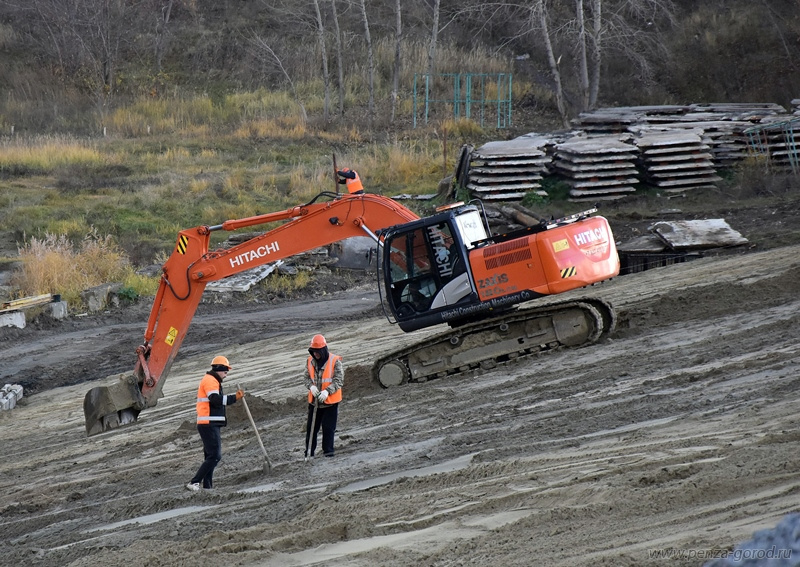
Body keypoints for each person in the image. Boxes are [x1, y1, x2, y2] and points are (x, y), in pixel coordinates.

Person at [186, 355, 243, 491]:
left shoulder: (212, 380)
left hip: (209, 423)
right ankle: (194, 482)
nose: (226, 374)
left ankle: (207, 486)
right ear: (219, 369)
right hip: (208, 423)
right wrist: (233, 398)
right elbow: (215, 399)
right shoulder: (211, 381)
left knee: (210, 456)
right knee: (215, 456)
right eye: (225, 371)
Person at [304, 334, 344, 458]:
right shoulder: (310, 361)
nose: (315, 354)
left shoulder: (334, 361)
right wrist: (311, 387)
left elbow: (339, 380)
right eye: (313, 352)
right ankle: (309, 454)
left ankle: (328, 453)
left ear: (323, 350)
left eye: (317, 352)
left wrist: (327, 391)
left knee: (328, 429)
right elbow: (306, 378)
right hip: (315, 403)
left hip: (330, 402)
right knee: (311, 430)